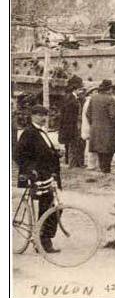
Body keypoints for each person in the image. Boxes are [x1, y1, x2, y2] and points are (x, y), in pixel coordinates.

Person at [14, 105, 62, 253]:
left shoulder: (41, 132)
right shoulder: (29, 133)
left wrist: (55, 153)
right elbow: (18, 155)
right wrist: (30, 170)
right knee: (49, 207)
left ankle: (42, 237)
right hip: (37, 176)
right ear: (32, 116)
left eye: (45, 115)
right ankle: (43, 240)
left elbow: (42, 151)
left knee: (53, 206)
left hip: (48, 175)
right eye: (40, 115)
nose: (43, 118)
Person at [86, 79, 115, 174]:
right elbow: (112, 115)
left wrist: (93, 123)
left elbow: (88, 113)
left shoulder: (93, 98)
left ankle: (102, 168)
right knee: (109, 150)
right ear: (109, 89)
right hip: (108, 129)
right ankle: (106, 169)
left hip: (95, 128)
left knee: (100, 150)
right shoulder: (110, 99)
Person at [58, 75, 85, 169]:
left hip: (69, 125)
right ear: (76, 89)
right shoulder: (71, 99)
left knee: (72, 144)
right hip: (71, 125)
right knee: (73, 144)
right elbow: (70, 114)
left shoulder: (68, 97)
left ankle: (74, 163)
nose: (81, 91)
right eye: (80, 89)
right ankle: (73, 164)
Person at [80, 86, 99, 171]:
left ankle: (92, 164)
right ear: (90, 93)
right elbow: (88, 116)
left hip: (89, 126)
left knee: (92, 146)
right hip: (89, 127)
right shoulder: (89, 102)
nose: (97, 93)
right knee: (91, 147)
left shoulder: (90, 101)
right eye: (95, 92)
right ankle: (91, 164)